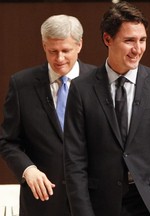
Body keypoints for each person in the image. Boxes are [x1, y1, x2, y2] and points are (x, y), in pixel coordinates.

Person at [63, 2, 150, 216]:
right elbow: (74, 162)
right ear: (108, 39)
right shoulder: (81, 89)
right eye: (129, 41)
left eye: (142, 40)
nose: (138, 49)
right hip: (102, 205)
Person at [0, 15, 96, 216]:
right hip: (42, 203)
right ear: (44, 45)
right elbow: (8, 141)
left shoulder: (100, 82)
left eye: (66, 51)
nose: (59, 59)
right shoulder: (21, 84)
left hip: (92, 200)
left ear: (79, 45)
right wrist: (28, 170)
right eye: (53, 51)